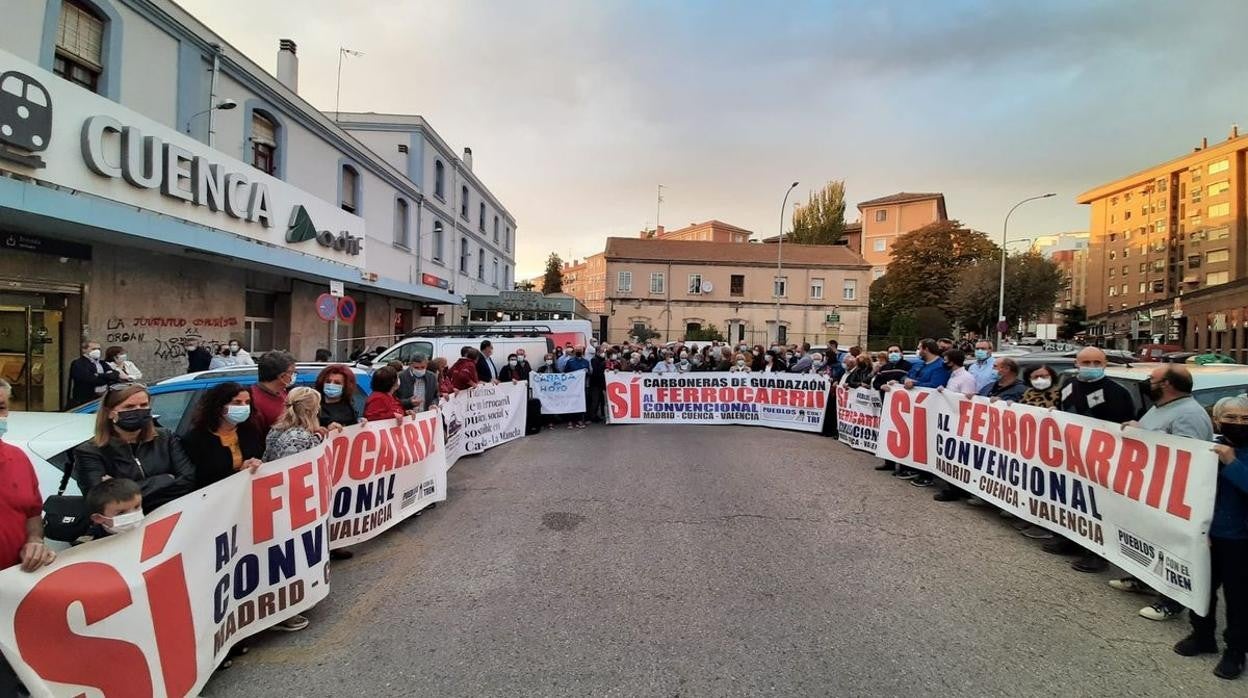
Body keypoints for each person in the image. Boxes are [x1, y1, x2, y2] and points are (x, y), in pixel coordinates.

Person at [1107, 365, 1214, 620]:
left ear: (1167, 384)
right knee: (1151, 537)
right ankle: (1145, 579)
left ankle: (1172, 601)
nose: (1148, 383)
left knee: (1173, 546)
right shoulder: (1161, 407)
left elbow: (1188, 455)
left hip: (1174, 494)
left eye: (1151, 379)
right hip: (1152, 488)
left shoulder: (1190, 414)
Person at [1042, 347, 1136, 570]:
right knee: (1072, 499)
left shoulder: (1116, 392)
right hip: (1071, 456)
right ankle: (1070, 540)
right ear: (1077, 363)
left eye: (1096, 362)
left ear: (1104, 364)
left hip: (1101, 460)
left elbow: (1124, 427)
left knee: (1098, 506)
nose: (1091, 367)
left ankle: (1098, 554)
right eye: (1086, 362)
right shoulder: (1069, 386)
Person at [1175, 394, 1248, 680]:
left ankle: (1236, 651)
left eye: (1245, 419)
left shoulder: (1227, 455)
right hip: (1205, 535)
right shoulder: (1206, 448)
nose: (1238, 424)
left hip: (1240, 540)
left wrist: (1232, 464)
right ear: (1217, 420)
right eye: (1231, 418)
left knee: (1239, 598)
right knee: (1201, 589)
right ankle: (1203, 636)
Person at [0, 383, 57, 694]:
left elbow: (32, 512)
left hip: (11, 598)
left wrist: (35, 540)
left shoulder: (18, 458)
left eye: (1, 407)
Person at [74, 384, 196, 513]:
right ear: (110, 413)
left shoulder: (165, 438)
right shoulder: (90, 452)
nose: (138, 410)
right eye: (129, 407)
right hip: (127, 525)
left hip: (170, 514)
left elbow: (188, 481)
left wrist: (122, 489)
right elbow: (104, 501)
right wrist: (164, 479)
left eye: (143, 405)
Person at [260, 387, 324, 631]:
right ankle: (285, 612)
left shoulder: (280, 430)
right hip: (289, 505)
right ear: (311, 409)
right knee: (290, 557)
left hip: (279, 502)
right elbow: (292, 472)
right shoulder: (296, 437)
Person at [890, 339, 951, 485]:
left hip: (930, 410)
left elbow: (935, 386)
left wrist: (915, 384)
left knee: (927, 441)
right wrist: (903, 382)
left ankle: (927, 475)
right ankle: (914, 468)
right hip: (915, 409)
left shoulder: (939, 366)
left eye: (919, 348)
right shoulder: (921, 365)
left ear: (926, 349)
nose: (918, 351)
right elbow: (908, 376)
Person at [182, 382, 264, 488]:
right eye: (237, 403)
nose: (244, 407)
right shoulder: (196, 439)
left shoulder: (250, 431)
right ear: (219, 406)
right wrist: (240, 473)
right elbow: (201, 479)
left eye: (247, 402)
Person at [251, 351, 297, 440]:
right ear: (282, 376)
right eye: (292, 373)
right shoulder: (253, 401)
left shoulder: (283, 393)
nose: (294, 376)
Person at [68, 340, 119, 407]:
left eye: (99, 349)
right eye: (94, 349)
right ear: (84, 350)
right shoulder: (78, 363)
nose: (97, 351)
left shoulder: (102, 363)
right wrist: (107, 378)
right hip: (85, 401)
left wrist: (99, 375)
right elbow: (89, 379)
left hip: (103, 399)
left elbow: (115, 375)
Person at [563, 348, 591, 429]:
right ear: (574, 352)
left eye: (580, 351)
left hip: (582, 386)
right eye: (577, 351)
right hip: (571, 387)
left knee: (581, 403)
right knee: (571, 402)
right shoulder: (570, 362)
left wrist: (587, 372)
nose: (579, 352)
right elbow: (565, 373)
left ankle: (579, 420)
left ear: (582, 352)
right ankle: (570, 421)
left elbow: (589, 373)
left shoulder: (585, 362)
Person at [587, 347, 607, 422]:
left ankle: (597, 415)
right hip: (595, 383)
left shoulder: (603, 360)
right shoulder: (594, 360)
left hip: (601, 383)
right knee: (595, 400)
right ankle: (592, 416)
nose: (603, 353)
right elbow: (596, 371)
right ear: (598, 352)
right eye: (602, 351)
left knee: (600, 400)